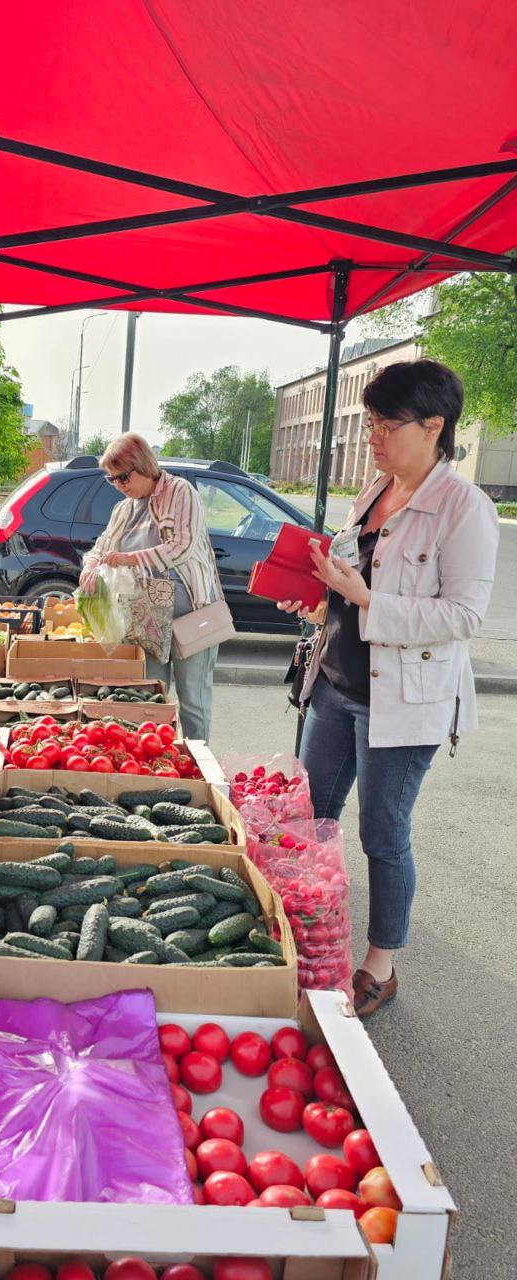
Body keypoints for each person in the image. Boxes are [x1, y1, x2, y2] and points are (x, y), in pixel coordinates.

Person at [279, 359, 499, 1018]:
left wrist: (366, 597)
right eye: (368, 423)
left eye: (384, 424)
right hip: (336, 684)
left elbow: (464, 616)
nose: (370, 437)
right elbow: (349, 582)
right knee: (310, 819)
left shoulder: (466, 508)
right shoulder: (375, 490)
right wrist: (320, 602)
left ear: (434, 426)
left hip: (402, 706)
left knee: (384, 833)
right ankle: (304, 931)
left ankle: (381, 961)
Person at [80, 433, 220, 740]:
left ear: (143, 465)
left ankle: (199, 771)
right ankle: (161, 766)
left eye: (123, 477)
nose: (119, 486)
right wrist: (91, 564)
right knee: (151, 701)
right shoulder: (123, 510)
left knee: (193, 702)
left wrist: (129, 558)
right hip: (147, 621)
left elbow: (181, 546)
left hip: (192, 614)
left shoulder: (180, 492)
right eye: (112, 480)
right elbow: (102, 546)